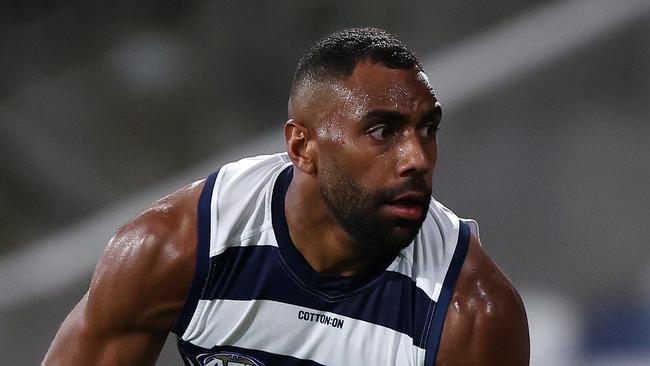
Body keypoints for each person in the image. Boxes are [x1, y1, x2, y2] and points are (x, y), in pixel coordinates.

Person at [43, 28, 529, 365]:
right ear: (302, 146)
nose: (417, 158)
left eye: (427, 129)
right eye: (383, 131)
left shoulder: (471, 314)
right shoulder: (175, 248)